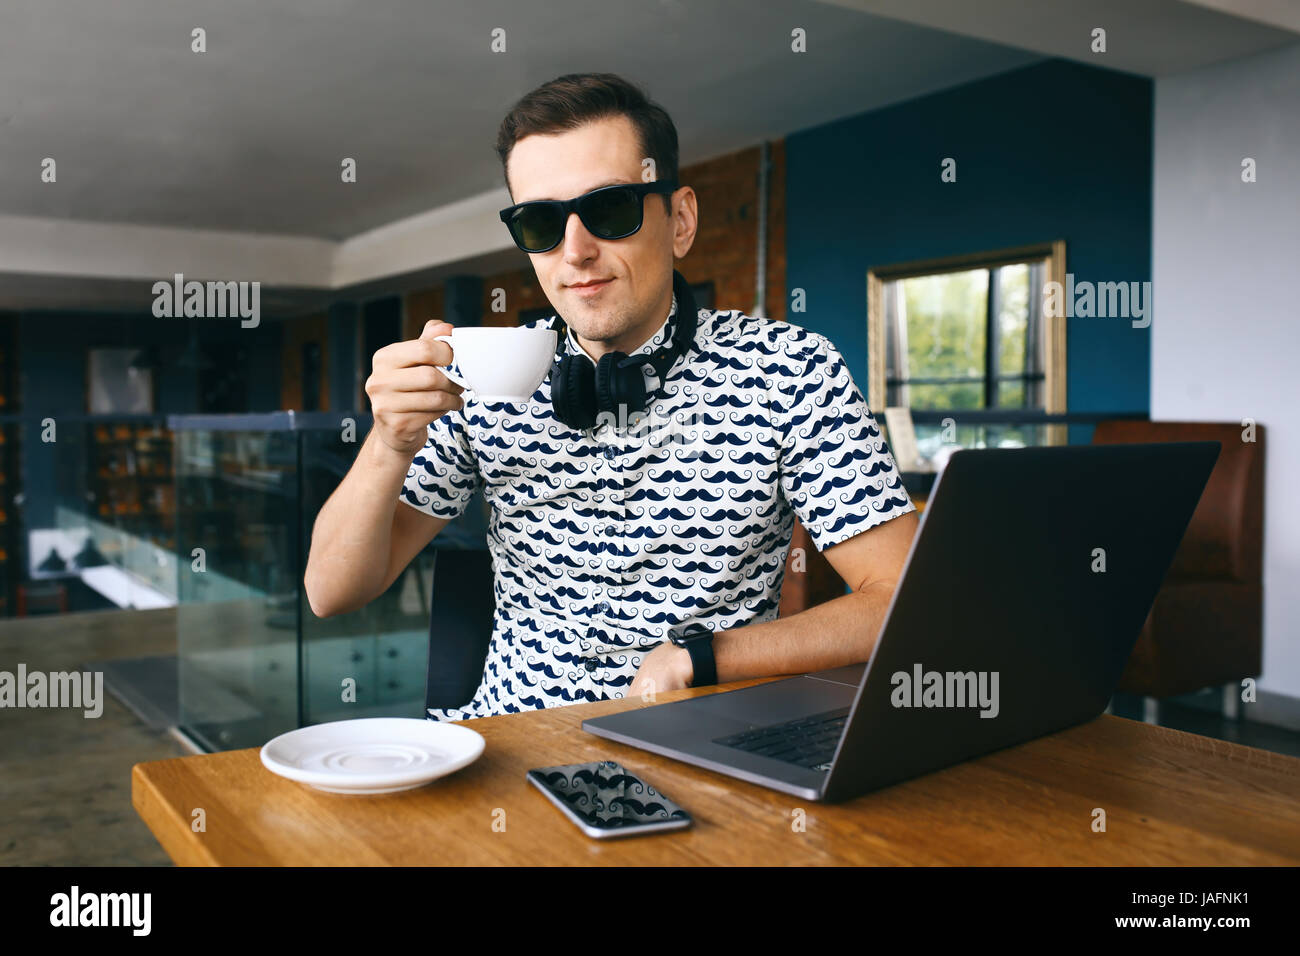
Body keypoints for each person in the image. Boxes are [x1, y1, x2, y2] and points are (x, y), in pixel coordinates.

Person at [304, 72, 919, 720]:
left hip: (700, 748)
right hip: (510, 747)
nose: (576, 252)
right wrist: (389, 441)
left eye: (610, 210)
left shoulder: (791, 372)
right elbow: (330, 591)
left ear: (679, 221)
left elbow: (903, 601)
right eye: (540, 222)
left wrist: (704, 657)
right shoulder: (486, 377)